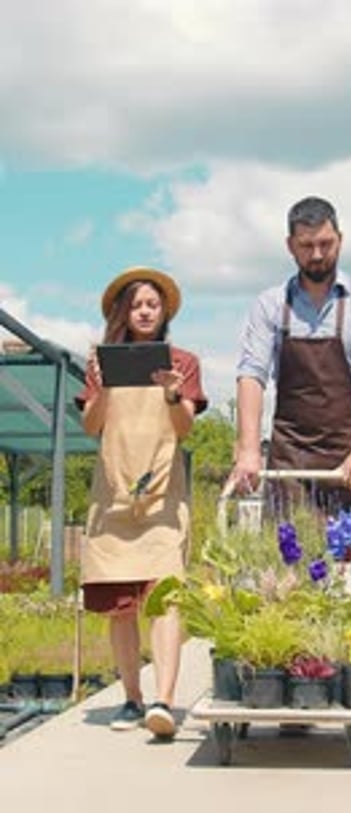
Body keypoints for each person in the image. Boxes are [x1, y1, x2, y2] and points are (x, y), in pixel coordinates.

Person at [77, 267, 207, 737]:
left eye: (153, 304)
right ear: (123, 313)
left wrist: (172, 394)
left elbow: (185, 428)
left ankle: (163, 701)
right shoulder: (100, 362)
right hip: (113, 495)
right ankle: (131, 699)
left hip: (162, 497)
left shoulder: (183, 362)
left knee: (165, 597)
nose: (145, 311)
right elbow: (92, 427)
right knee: (121, 605)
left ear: (165, 310)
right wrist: (105, 385)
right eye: (136, 305)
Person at [233, 196, 351, 554]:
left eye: (326, 243)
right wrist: (248, 450)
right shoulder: (270, 305)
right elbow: (251, 376)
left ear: (340, 239)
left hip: (350, 464)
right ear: (290, 246)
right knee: (284, 570)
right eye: (307, 246)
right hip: (289, 461)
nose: (318, 254)